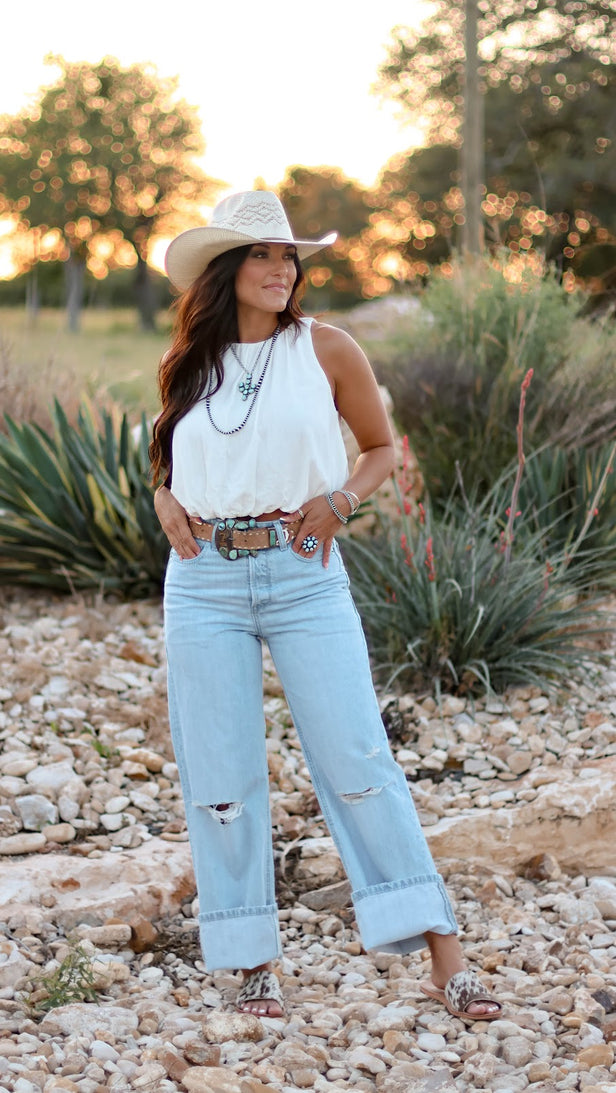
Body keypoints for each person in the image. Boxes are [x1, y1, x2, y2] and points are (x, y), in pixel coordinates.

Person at [149, 190, 501, 1022]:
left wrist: (342, 500)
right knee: (221, 773)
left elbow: (381, 448)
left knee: (359, 758)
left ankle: (446, 959)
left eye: (288, 255)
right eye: (263, 254)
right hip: (202, 579)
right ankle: (254, 965)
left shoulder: (326, 348)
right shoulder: (189, 361)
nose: (281, 269)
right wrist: (163, 498)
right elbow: (171, 455)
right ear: (225, 268)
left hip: (303, 570)